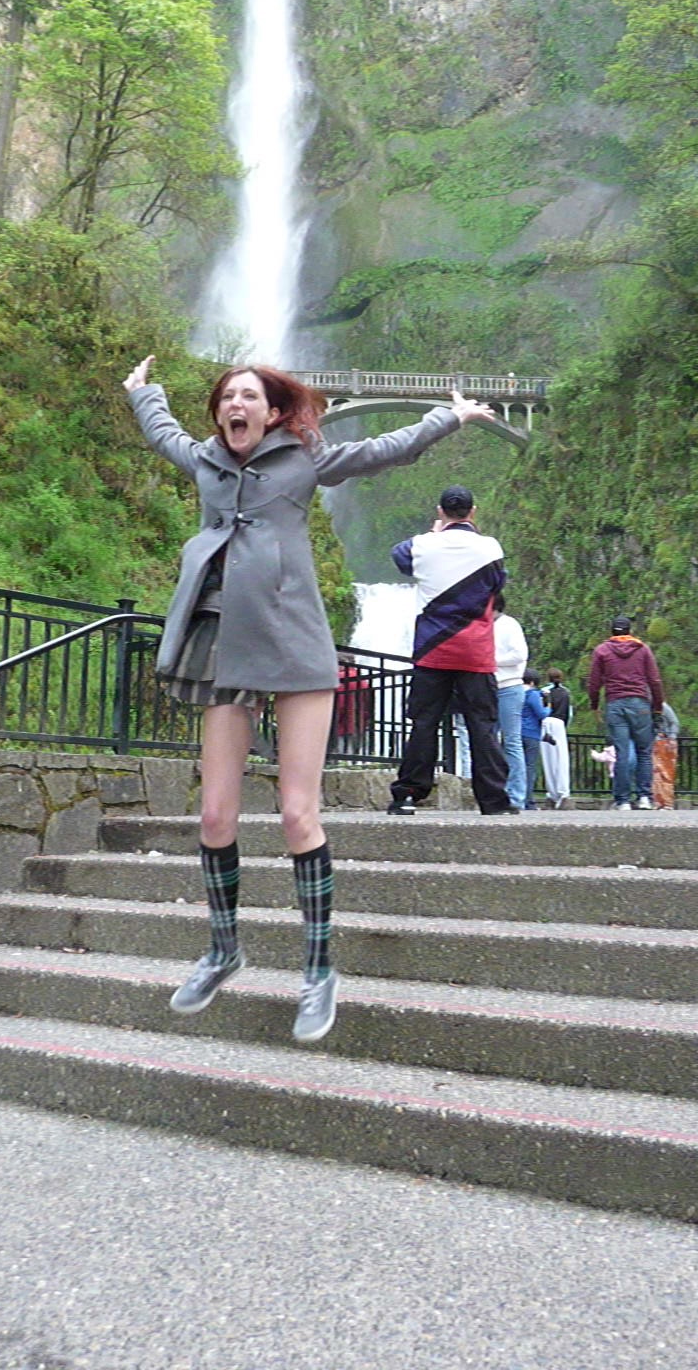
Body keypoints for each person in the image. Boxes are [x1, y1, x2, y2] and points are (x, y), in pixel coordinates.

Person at [125, 356, 498, 1044]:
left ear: (271, 413)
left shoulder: (302, 460)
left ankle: (319, 969)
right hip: (223, 642)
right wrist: (142, 392)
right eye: (227, 398)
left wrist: (448, 417)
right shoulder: (206, 461)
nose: (237, 405)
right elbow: (164, 435)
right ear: (220, 414)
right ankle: (223, 948)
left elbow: (378, 452)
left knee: (299, 814)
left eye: (251, 397)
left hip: (294, 643)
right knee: (213, 812)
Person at [387, 484, 512, 818]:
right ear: (473, 512)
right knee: (482, 725)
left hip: (432, 650)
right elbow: (497, 585)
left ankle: (408, 795)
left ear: (441, 512)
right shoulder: (490, 547)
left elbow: (399, 557)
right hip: (475, 651)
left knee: (424, 721)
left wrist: (433, 532)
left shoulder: (422, 545)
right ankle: (494, 800)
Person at [587, 615, 664, 811]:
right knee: (644, 753)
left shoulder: (602, 650)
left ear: (611, 631)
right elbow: (654, 680)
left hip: (616, 704)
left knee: (622, 753)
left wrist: (595, 705)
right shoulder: (643, 649)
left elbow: (594, 683)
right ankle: (645, 797)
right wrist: (658, 706)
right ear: (630, 630)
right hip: (640, 704)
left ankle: (622, 800)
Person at [493, 592, 529, 813]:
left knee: (512, 742)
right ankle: (494, 792)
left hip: (509, 687)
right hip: (487, 687)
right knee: (488, 742)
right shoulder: (480, 625)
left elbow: (519, 655)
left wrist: (490, 661)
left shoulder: (509, 625)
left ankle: (516, 797)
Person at [540, 668, 572, 810]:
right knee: (561, 760)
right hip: (559, 724)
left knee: (548, 761)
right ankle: (563, 793)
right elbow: (569, 714)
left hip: (545, 723)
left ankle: (551, 794)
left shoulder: (544, 691)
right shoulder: (565, 692)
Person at [520, 669, 550, 809]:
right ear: (532, 682)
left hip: (516, 733)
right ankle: (528, 801)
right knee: (530, 768)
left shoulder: (516, 693)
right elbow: (541, 714)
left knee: (516, 767)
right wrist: (549, 707)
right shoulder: (532, 694)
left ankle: (516, 798)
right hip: (531, 733)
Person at [652, 698, 680, 810]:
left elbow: (674, 722)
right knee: (655, 775)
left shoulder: (662, 706)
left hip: (665, 742)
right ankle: (656, 802)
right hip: (651, 743)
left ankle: (667, 803)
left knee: (666, 775)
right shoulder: (642, 708)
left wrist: (672, 738)